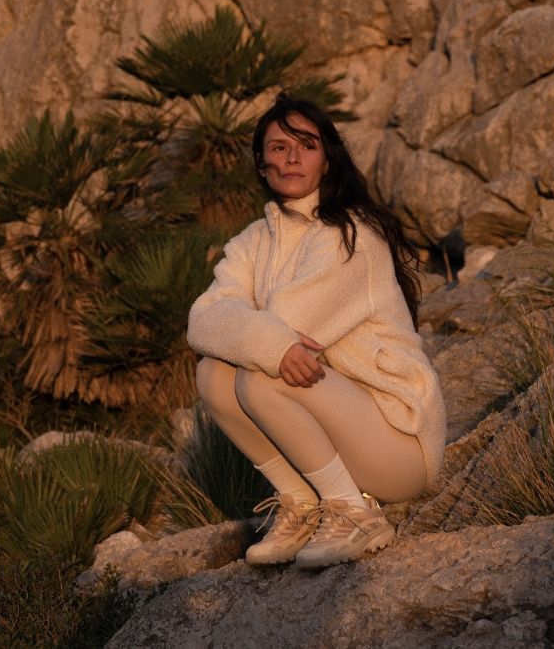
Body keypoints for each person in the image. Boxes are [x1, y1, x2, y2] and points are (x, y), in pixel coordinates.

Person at [187, 93, 447, 569]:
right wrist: (268, 339)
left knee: (262, 372)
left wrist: (260, 335)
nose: (291, 157)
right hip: (342, 428)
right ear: (261, 163)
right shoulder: (251, 242)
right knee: (213, 373)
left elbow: (290, 324)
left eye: (306, 146)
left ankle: (354, 514)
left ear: (326, 161)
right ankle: (302, 504)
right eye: (279, 147)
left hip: (400, 443)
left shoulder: (351, 234)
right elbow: (202, 319)